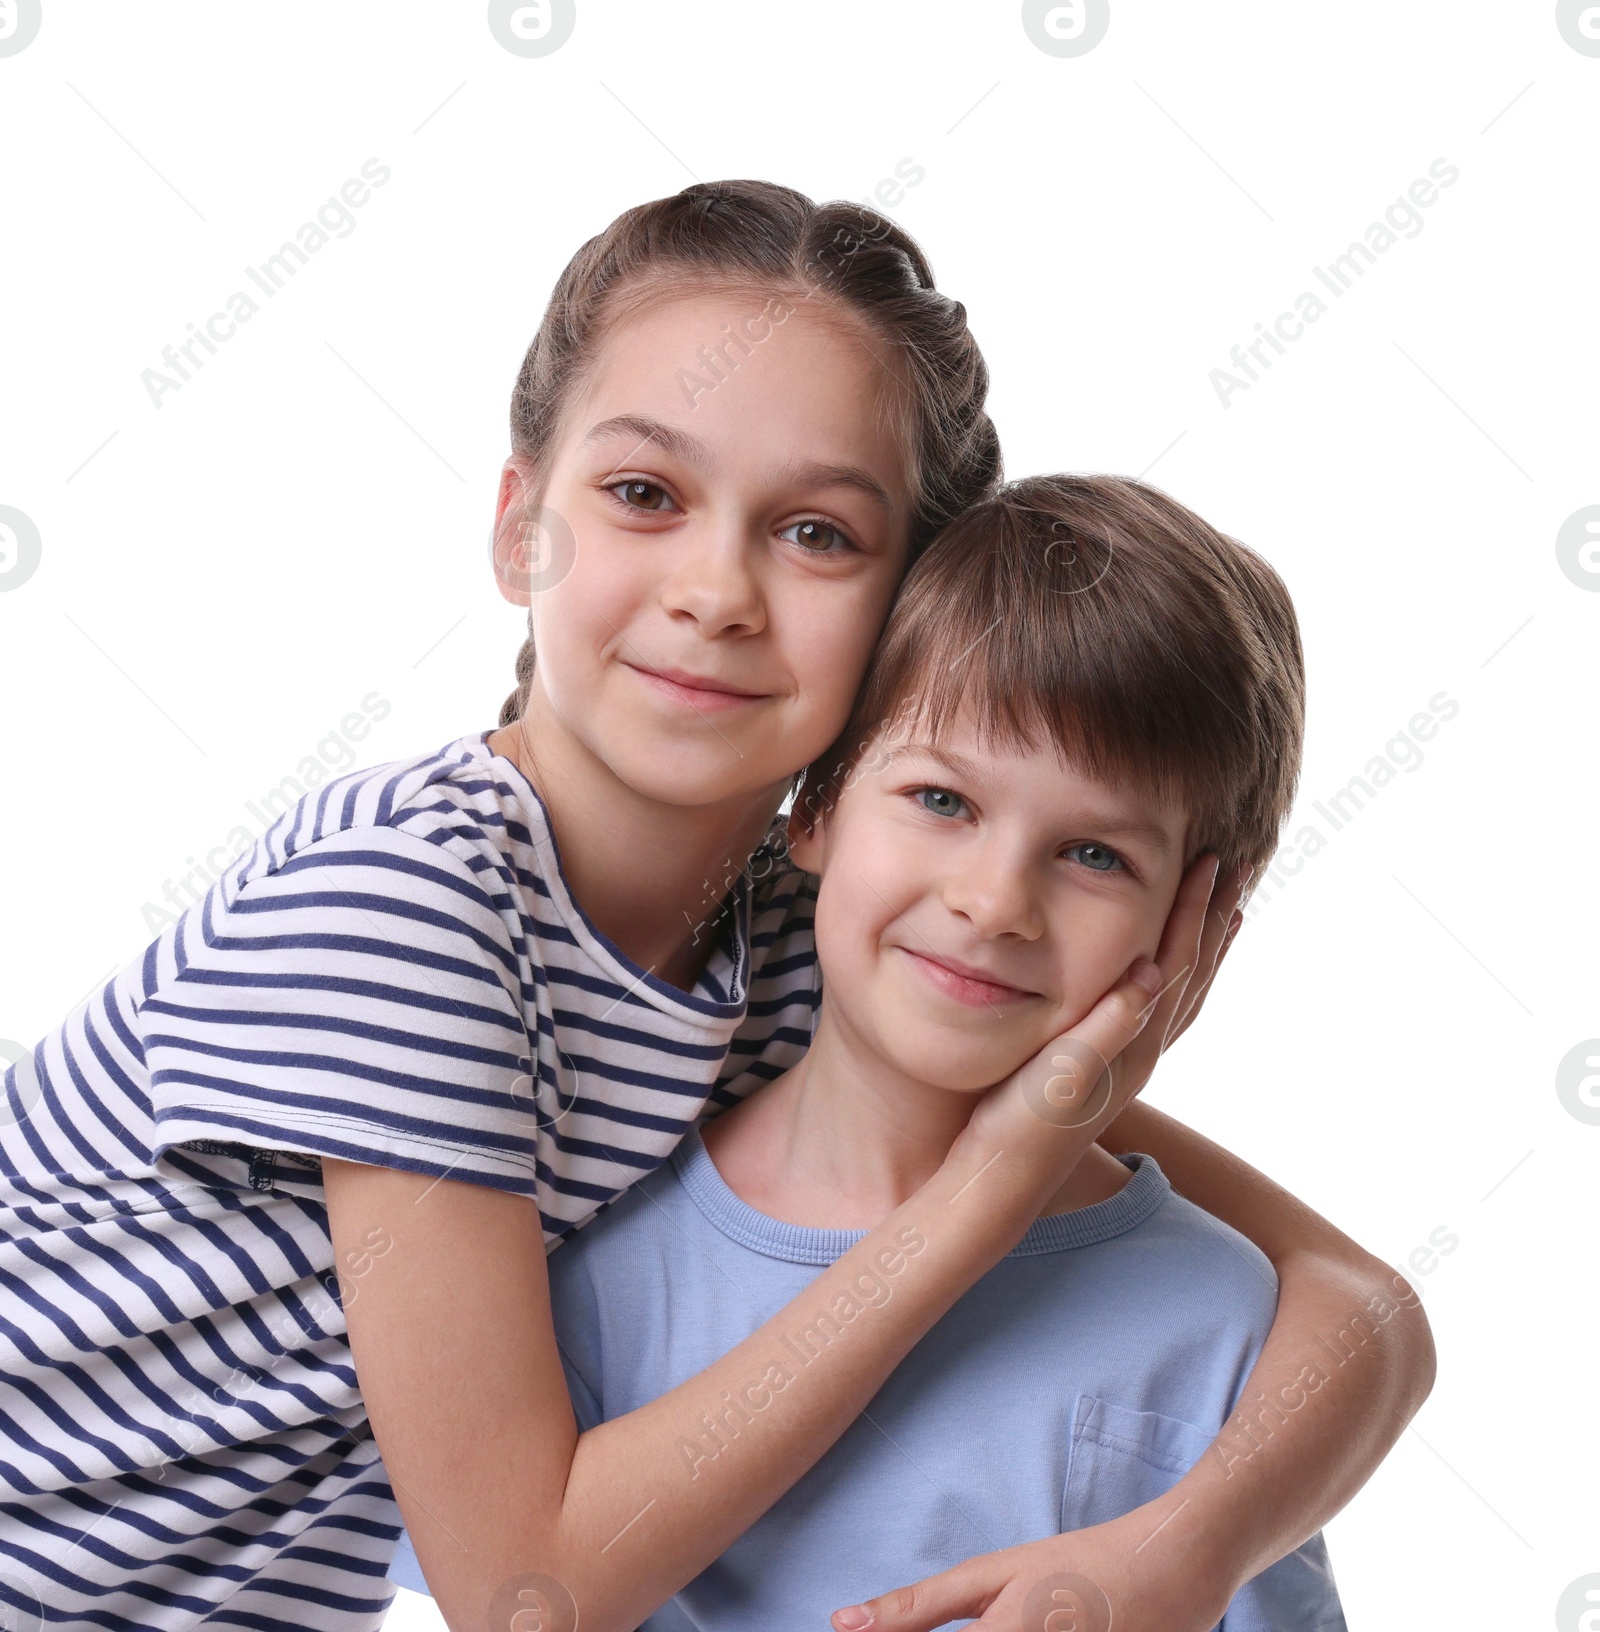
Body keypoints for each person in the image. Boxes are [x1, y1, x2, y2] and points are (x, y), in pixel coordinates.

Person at [0, 183, 1429, 1632]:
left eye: (816, 533)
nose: (717, 589)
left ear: (900, 629)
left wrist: (1187, 1547)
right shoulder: (409, 905)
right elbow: (520, 1589)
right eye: (644, 495)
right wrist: (984, 1191)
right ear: (519, 530)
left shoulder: (795, 941)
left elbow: (1361, 1306)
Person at [393, 473, 1357, 1631]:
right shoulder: (593, 1250)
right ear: (817, 806)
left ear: (1196, 930)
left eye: (1096, 855)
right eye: (942, 800)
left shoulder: (1221, 1322)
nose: (995, 902)